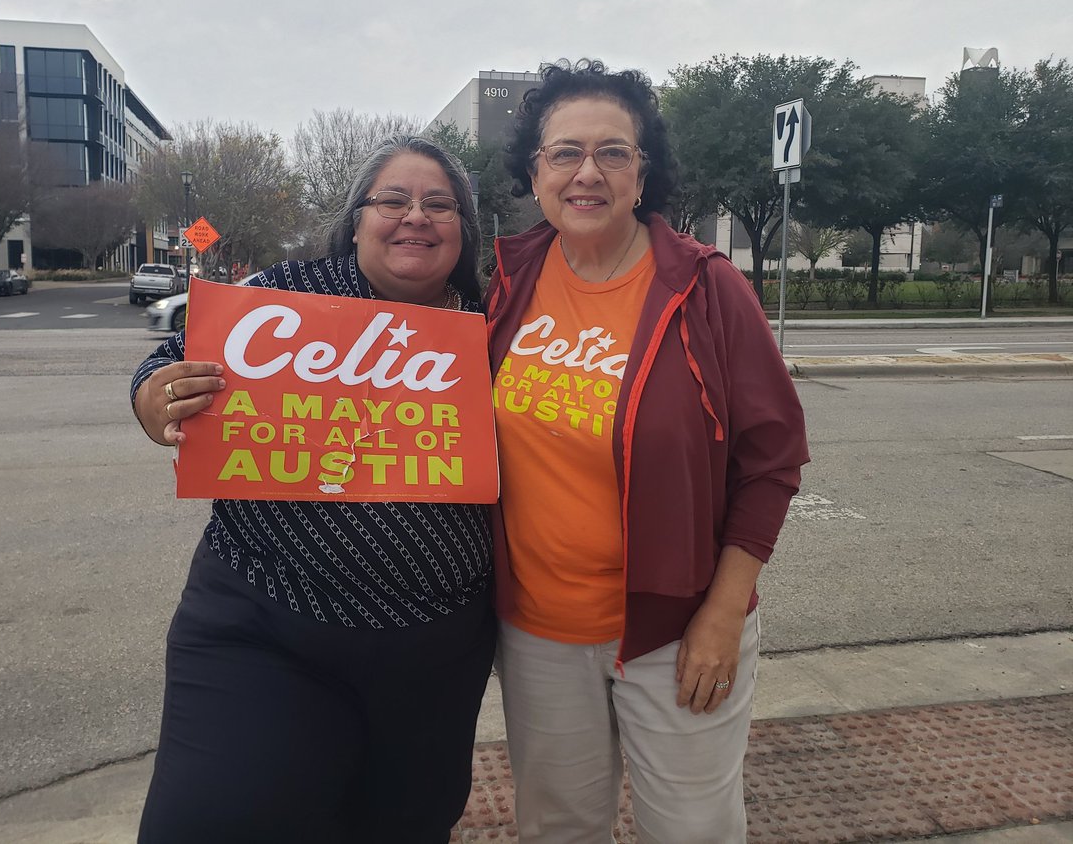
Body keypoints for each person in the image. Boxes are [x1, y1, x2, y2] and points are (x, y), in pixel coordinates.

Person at [130, 135, 495, 843]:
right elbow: (170, 359)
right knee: (215, 820)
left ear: (465, 230)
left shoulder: (493, 322)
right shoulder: (289, 295)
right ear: (356, 219)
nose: (415, 215)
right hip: (267, 625)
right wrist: (152, 396)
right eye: (392, 199)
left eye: (439, 204)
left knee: (404, 827)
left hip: (433, 652)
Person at [485, 59, 810, 843]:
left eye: (612, 152)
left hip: (677, 630)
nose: (586, 172)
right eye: (564, 152)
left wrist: (722, 615)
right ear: (535, 171)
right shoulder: (503, 279)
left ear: (642, 172)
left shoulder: (703, 287)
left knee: (693, 830)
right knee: (555, 828)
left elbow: (772, 461)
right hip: (535, 630)